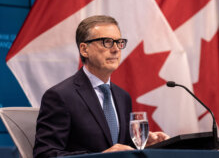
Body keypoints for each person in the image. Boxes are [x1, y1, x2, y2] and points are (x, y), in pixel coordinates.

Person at [33, 15, 169, 157]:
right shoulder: (60, 96)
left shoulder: (123, 97)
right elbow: (44, 154)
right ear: (84, 49)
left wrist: (141, 145)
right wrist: (101, 157)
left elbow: (118, 145)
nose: (116, 49)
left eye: (119, 42)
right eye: (107, 42)